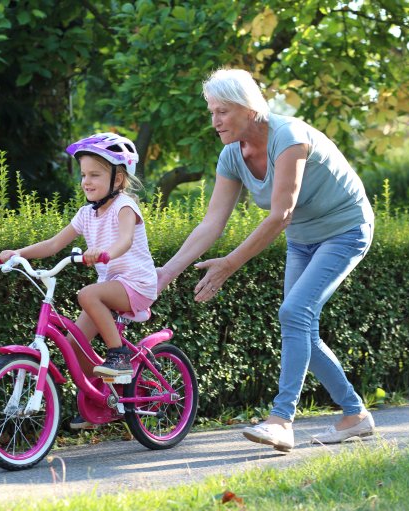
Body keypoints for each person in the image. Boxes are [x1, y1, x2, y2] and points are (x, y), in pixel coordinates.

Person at [156, 69, 375, 453]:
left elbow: (281, 214)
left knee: (294, 314)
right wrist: (167, 272)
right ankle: (355, 416)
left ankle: (281, 420)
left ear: (250, 109)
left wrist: (229, 265)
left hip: (345, 230)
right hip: (304, 240)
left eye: (222, 111)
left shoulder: (289, 137)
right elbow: (212, 223)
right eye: (212, 112)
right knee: (300, 323)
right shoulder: (231, 156)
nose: (215, 121)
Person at [0, 132, 158, 429]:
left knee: (88, 294)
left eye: (95, 174)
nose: (87, 181)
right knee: (74, 345)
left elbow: (124, 240)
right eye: (84, 174)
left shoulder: (125, 206)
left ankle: (119, 356)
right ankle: (105, 401)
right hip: (112, 286)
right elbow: (53, 245)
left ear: (118, 180)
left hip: (136, 283)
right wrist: (18, 254)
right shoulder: (86, 214)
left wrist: (105, 253)